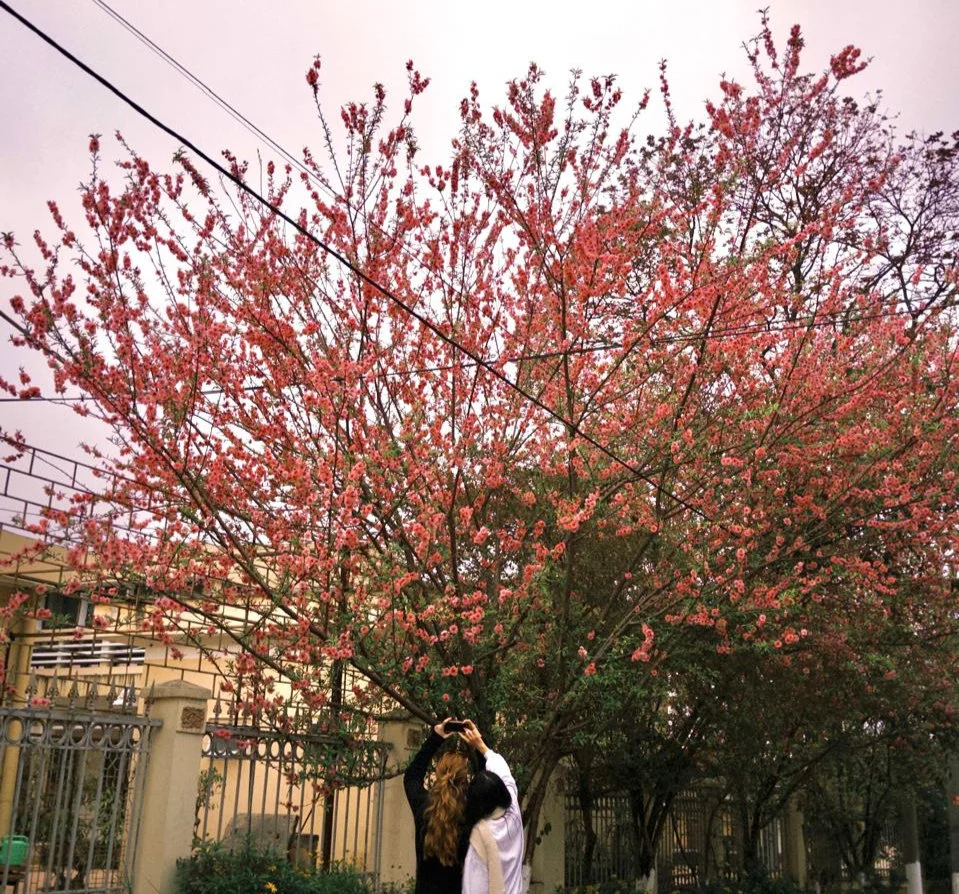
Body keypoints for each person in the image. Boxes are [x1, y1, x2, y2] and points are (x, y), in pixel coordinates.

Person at [404, 717, 471, 894]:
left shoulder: (424, 806)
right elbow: (489, 783)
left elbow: (411, 776)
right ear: (464, 779)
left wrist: (436, 737)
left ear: (438, 772)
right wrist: (479, 745)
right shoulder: (469, 809)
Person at [459, 721, 525, 894]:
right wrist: (480, 744)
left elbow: (474, 888)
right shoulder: (513, 811)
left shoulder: (481, 835)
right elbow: (503, 770)